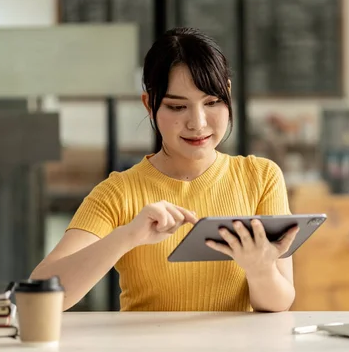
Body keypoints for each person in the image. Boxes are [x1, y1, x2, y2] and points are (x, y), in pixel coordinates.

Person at [30, 27, 299, 313]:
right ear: (149, 104)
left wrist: (259, 269)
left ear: (228, 94)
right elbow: (40, 297)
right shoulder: (119, 192)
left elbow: (279, 303)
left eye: (212, 102)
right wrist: (127, 236)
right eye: (177, 106)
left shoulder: (261, 177)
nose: (198, 123)